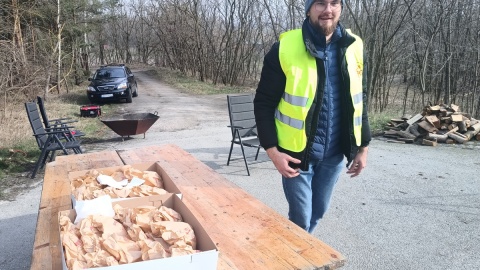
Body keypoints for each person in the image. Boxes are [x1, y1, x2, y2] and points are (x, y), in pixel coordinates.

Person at [253, 0, 371, 233]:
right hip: (296, 156)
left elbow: (360, 99)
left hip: (335, 154)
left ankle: (301, 255)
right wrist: (272, 151)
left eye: (334, 3)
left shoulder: (354, 45)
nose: (328, 10)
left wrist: (363, 147)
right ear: (308, 9)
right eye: (320, 3)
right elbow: (264, 103)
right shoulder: (284, 48)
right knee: (301, 218)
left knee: (318, 213)